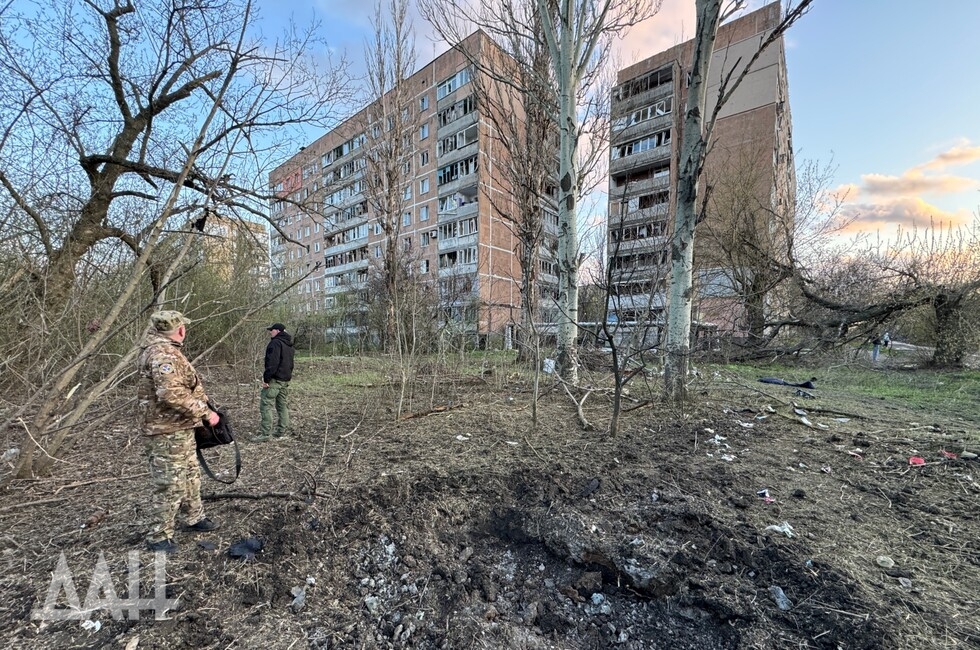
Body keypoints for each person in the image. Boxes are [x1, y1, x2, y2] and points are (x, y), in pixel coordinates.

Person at [138, 310, 220, 554]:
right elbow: (171, 394)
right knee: (170, 483)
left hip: (179, 427)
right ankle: (158, 535)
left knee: (190, 475)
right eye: (183, 327)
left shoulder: (162, 351)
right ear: (179, 329)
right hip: (165, 430)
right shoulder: (162, 353)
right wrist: (206, 413)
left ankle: (194, 517)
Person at [256, 322, 294, 441]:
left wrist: (266, 379)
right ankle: (281, 430)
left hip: (275, 380)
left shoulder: (275, 343)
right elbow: (291, 364)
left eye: (272, 330)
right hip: (285, 380)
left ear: (277, 331)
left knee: (265, 405)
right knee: (282, 406)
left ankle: (265, 434)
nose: (270, 332)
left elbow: (272, 363)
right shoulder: (289, 345)